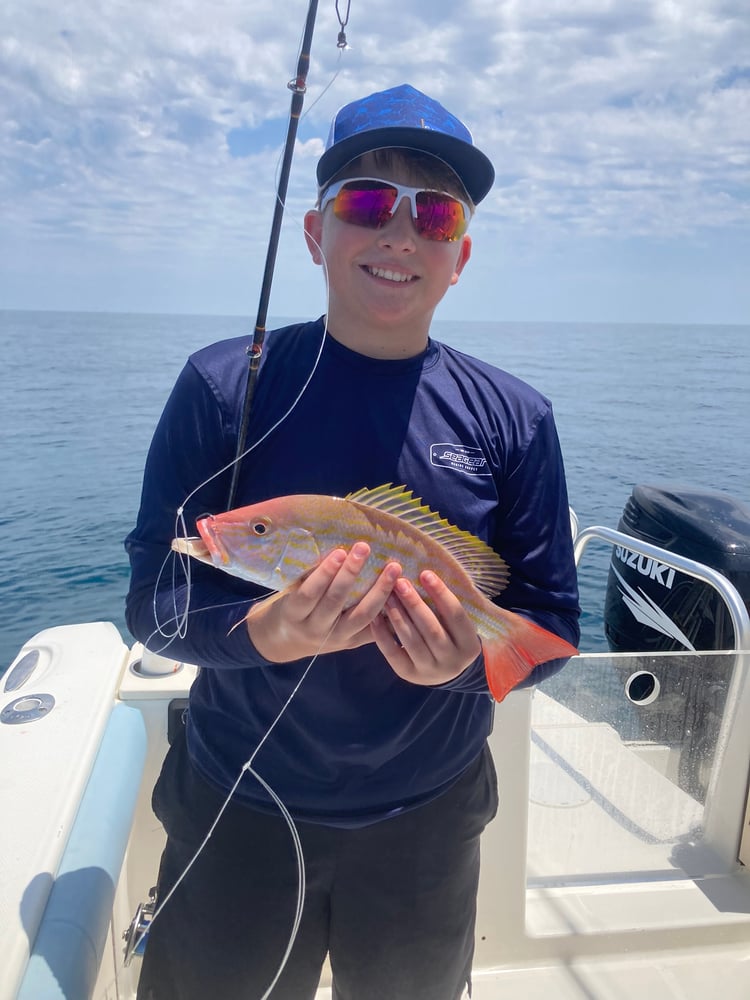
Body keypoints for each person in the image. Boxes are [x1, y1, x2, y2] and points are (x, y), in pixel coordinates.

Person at [125, 82, 580, 1000]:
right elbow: (152, 605)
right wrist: (266, 635)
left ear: (460, 256)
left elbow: (547, 627)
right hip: (238, 806)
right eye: (368, 203)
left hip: (429, 821)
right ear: (314, 233)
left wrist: (456, 664)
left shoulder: (516, 419)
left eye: (435, 213)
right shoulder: (222, 389)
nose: (399, 235)